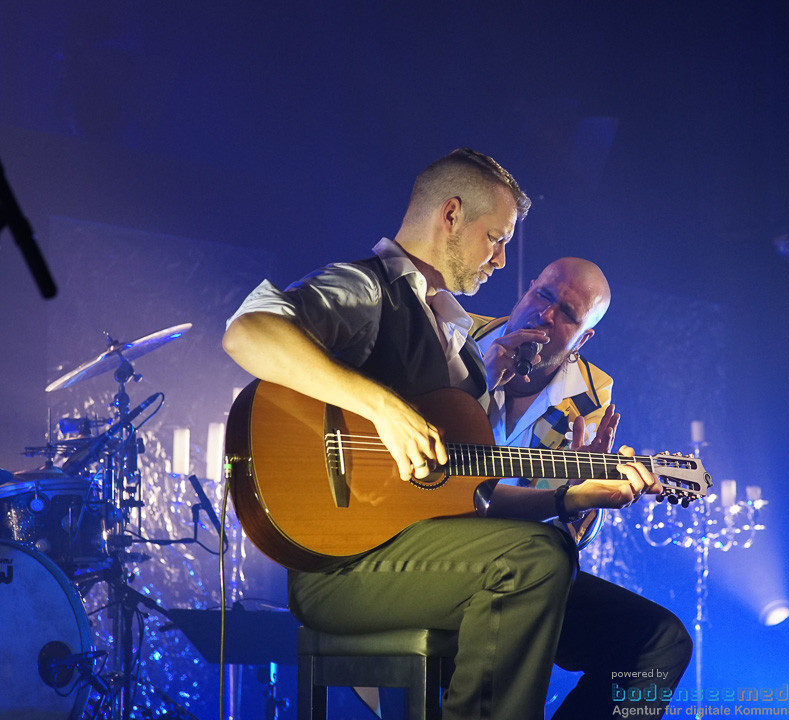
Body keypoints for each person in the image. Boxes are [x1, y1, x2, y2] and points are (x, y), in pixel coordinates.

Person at [221, 148, 674, 719]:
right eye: (496, 238)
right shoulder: (367, 290)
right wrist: (382, 407)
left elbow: (469, 499)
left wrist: (567, 496)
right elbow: (247, 333)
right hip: (342, 566)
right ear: (452, 215)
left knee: (657, 641)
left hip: (444, 559)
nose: (501, 260)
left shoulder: (462, 347)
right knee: (535, 559)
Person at [472, 257, 693, 717]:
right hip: (437, 550)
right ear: (525, 292)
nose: (546, 315)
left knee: (661, 641)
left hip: (520, 566)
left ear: (583, 337)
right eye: (543, 296)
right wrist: (480, 383)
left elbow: (570, 535)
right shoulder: (457, 339)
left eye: (568, 314)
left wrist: (577, 499)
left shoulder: (592, 396)